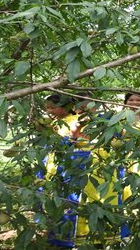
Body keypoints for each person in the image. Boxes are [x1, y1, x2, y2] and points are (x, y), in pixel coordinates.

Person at [39, 94, 92, 248]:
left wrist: (73, 135)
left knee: (68, 199)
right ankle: (53, 234)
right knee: (53, 198)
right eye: (47, 107)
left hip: (72, 164)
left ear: (65, 106)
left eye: (52, 107)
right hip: (53, 165)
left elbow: (79, 144)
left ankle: (66, 238)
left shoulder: (79, 121)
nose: (49, 111)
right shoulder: (54, 122)